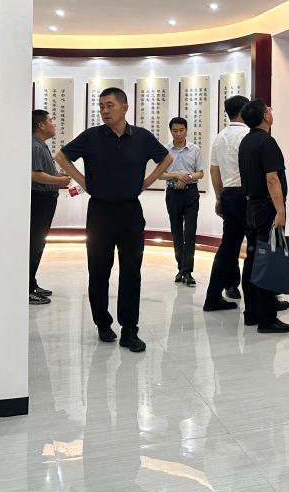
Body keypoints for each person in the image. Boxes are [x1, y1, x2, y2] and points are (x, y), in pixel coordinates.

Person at [55, 87, 173, 352]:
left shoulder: (142, 137)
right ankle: (103, 323)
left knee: (131, 272)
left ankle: (130, 330)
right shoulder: (92, 137)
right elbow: (61, 156)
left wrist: (148, 182)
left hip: (131, 212)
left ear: (125, 107)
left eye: (110, 105)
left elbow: (166, 158)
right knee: (99, 271)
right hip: (100, 212)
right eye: (101, 106)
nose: (105, 111)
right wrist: (83, 181)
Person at [238, 99, 289, 333]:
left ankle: (252, 312)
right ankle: (267, 318)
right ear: (265, 117)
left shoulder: (246, 141)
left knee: (253, 258)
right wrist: (280, 211)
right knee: (268, 260)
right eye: (268, 109)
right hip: (266, 207)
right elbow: (272, 179)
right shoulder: (267, 141)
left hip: (251, 206)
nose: (271, 111)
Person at [204, 95, 251, 311]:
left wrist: (219, 197)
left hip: (229, 195)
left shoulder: (219, 137)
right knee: (256, 246)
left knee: (229, 246)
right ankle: (260, 298)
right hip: (249, 197)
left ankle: (215, 294)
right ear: (244, 111)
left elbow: (214, 170)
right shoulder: (250, 135)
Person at [30, 109, 72, 305]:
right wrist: (59, 180)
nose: (54, 124)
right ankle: (27, 288)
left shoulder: (40, 145)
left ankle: (31, 284)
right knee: (34, 244)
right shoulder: (34, 145)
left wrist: (57, 177)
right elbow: (34, 175)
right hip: (39, 199)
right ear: (40, 125)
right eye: (50, 120)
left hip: (46, 199)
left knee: (38, 244)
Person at [162, 117, 205, 287]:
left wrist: (187, 177)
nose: (178, 134)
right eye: (175, 130)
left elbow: (200, 173)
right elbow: (160, 175)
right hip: (173, 194)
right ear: (171, 131)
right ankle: (181, 268)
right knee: (176, 232)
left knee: (190, 232)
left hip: (191, 193)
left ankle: (187, 271)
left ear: (186, 130)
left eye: (181, 130)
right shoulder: (165, 150)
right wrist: (177, 176)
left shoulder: (195, 149)